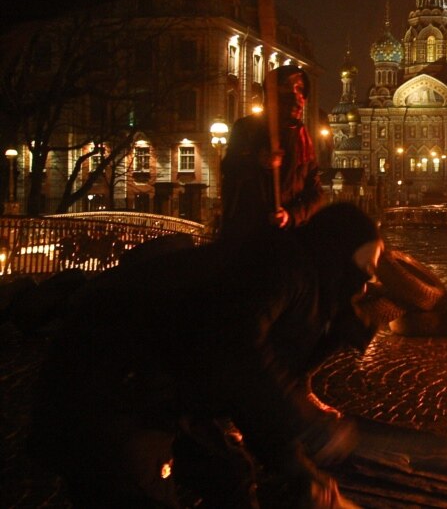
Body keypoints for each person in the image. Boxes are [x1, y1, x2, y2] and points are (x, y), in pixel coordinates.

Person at [29, 203, 385, 508]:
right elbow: (239, 351)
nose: (365, 285)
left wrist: (303, 474)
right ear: (336, 255)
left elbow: (248, 392)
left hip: (166, 385)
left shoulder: (297, 278)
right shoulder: (281, 268)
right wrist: (308, 425)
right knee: (139, 491)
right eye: (364, 271)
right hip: (109, 389)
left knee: (228, 472)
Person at [219, 64, 324, 241]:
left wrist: (291, 216)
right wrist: (256, 160)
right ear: (272, 93)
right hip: (248, 235)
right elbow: (229, 168)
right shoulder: (248, 128)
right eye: (286, 87)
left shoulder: (303, 139)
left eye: (300, 89)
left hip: (288, 236)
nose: (294, 95)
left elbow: (315, 194)